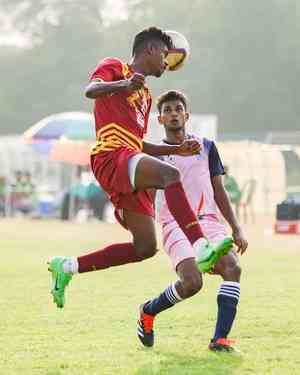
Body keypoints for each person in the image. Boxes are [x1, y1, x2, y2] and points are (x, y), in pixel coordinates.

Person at [48, 27, 233, 309]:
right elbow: (90, 90)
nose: (166, 62)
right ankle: (201, 246)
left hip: (129, 157)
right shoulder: (114, 66)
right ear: (150, 50)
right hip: (110, 155)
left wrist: (175, 149)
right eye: (164, 54)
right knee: (170, 174)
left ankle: (68, 266)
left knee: (145, 247)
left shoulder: (146, 95)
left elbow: (138, 143)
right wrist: (122, 85)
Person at [137, 91, 248, 352]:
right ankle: (148, 311)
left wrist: (236, 226)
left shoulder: (207, 146)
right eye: (168, 111)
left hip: (209, 222)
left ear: (186, 116)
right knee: (192, 282)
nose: (173, 113)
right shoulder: (156, 155)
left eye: (178, 109)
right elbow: (147, 196)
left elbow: (219, 190)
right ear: (160, 119)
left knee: (233, 269)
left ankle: (219, 340)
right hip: (175, 225)